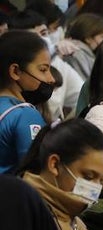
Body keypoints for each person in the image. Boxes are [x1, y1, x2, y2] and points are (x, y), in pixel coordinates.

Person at [0, 31, 53, 174]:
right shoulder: (25, 115)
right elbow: (37, 174)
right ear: (16, 71)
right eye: (43, 69)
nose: (51, 79)